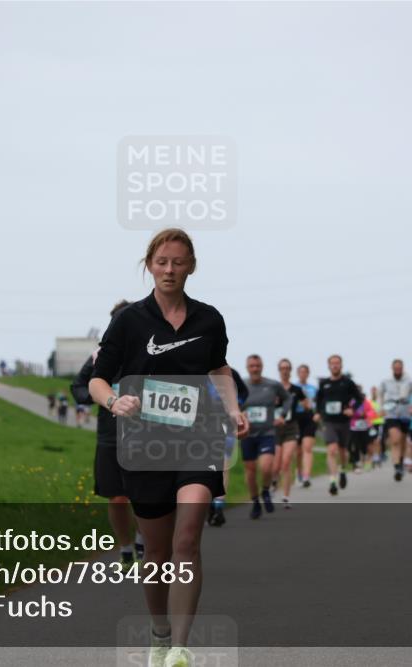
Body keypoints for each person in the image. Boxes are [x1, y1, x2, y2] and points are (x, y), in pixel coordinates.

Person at [88, 228, 248, 667]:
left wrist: (232, 409)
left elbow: (218, 367)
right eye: (161, 262)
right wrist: (113, 400)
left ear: (191, 266)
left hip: (199, 439)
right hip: (144, 446)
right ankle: (159, 633)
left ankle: (180, 645)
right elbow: (97, 378)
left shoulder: (209, 319)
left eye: (178, 262)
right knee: (156, 552)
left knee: (188, 538)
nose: (169, 270)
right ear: (149, 265)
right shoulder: (129, 321)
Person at [71, 300, 144, 569]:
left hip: (144, 436)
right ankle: (125, 548)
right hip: (110, 436)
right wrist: (95, 398)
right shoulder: (99, 356)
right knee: (117, 497)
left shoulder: (148, 351)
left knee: (144, 495)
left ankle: (142, 540)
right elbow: (79, 386)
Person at [240, 354, 292, 517]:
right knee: (250, 471)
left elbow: (288, 398)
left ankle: (265, 491)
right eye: (252, 366)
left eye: (258, 366)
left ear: (262, 367)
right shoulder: (241, 385)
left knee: (266, 466)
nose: (255, 369)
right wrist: (238, 415)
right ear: (248, 368)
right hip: (247, 434)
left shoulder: (272, 385)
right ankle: (255, 501)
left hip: (267, 433)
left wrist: (282, 415)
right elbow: (230, 403)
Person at [314, 355, 363, 496]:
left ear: (341, 365)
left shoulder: (348, 382)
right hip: (328, 421)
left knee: (342, 451)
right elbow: (319, 400)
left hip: (344, 421)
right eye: (332, 364)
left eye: (337, 363)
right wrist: (318, 412)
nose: (335, 366)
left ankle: (342, 470)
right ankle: (332, 481)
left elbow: (360, 399)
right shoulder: (324, 383)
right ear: (328, 366)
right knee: (332, 449)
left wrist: (352, 410)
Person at [207, 367, 248, 527]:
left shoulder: (230, 372)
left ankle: (218, 507)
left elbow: (243, 392)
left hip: (225, 422)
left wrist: (235, 407)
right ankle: (209, 502)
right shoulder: (194, 370)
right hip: (200, 424)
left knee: (224, 464)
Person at [378, 359, 412, 482]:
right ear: (392, 368)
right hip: (391, 412)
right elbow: (380, 394)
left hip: (405, 412)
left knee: (402, 440)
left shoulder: (409, 380)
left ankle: (401, 463)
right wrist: (381, 408)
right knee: (395, 440)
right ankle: (396, 467)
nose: (397, 370)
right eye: (395, 368)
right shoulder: (386, 380)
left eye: (399, 368)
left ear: (402, 368)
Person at [274, 358, 307, 508]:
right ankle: (273, 481)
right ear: (279, 370)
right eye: (282, 368)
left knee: (286, 461)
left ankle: (286, 496)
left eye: (287, 368)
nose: (285, 370)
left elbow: (307, 404)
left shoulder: (296, 389)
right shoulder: (273, 388)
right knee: (276, 464)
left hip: (291, 427)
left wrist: (306, 406)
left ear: (290, 370)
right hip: (274, 428)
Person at [294, 364, 317, 487]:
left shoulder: (313, 388)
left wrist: (318, 414)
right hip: (296, 419)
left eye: (305, 372)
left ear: (308, 374)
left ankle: (306, 476)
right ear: (298, 373)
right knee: (298, 452)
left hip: (309, 418)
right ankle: (299, 472)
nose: (303, 374)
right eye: (301, 372)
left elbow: (319, 403)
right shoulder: (293, 387)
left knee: (307, 448)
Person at [348, 384, 377, 473]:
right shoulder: (350, 401)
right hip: (353, 427)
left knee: (365, 446)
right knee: (354, 445)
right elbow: (347, 412)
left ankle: (366, 459)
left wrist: (365, 415)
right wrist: (353, 414)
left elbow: (372, 412)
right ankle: (356, 463)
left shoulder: (365, 402)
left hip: (365, 427)